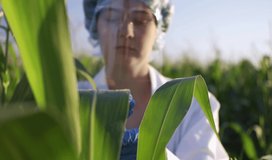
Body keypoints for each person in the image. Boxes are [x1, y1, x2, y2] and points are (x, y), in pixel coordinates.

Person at [79, 0, 229, 159]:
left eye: (140, 20)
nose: (125, 31)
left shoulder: (192, 104)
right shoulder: (69, 101)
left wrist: (157, 155)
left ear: (158, 29)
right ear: (95, 24)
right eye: (112, 17)